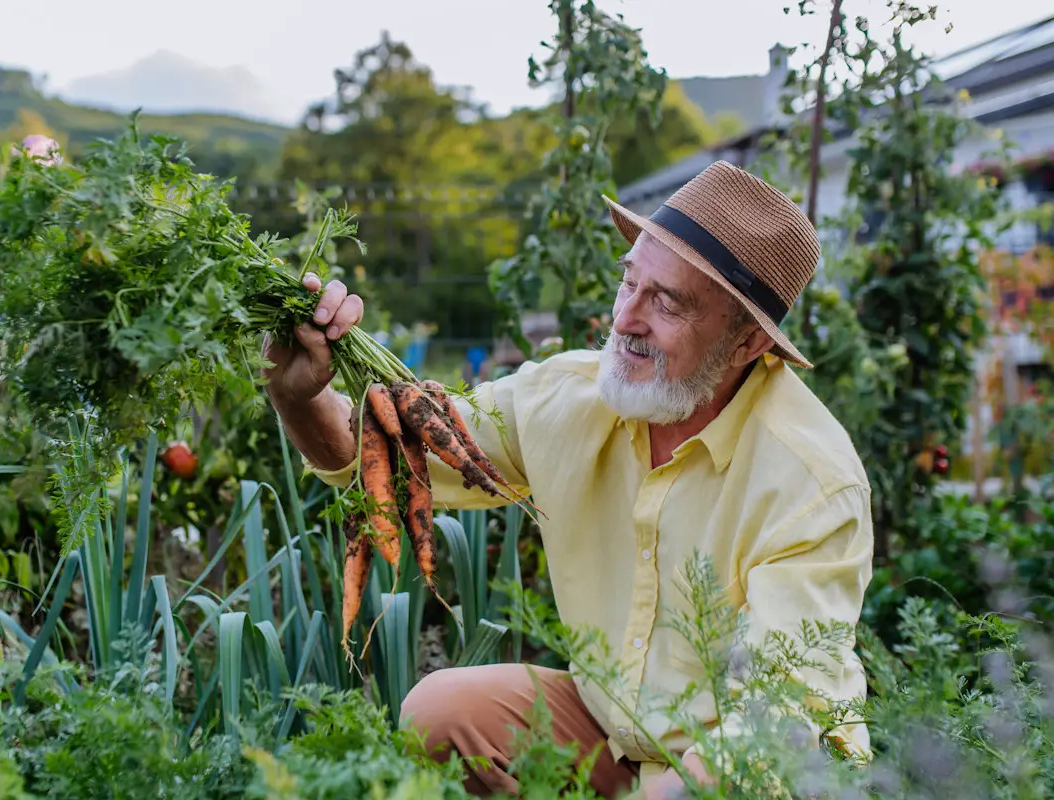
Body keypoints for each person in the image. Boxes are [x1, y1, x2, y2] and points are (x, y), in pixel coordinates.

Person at [262, 161, 874, 799]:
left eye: (666, 302)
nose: (626, 319)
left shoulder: (810, 483)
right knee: (442, 715)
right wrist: (300, 397)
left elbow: (775, 727)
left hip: (755, 773)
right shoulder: (572, 398)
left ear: (747, 343)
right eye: (629, 283)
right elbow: (385, 461)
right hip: (619, 736)